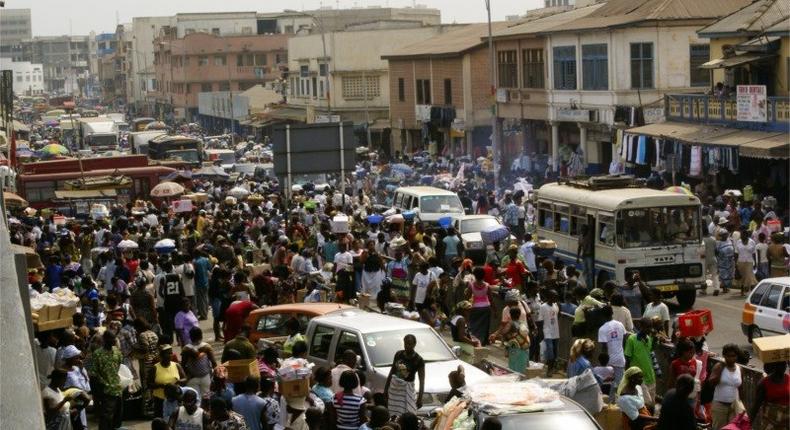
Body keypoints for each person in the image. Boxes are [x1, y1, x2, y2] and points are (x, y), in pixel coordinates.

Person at [384, 334, 425, 416]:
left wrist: (420, 398)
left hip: (407, 389)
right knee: (393, 413)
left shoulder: (419, 360)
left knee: (409, 413)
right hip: (395, 388)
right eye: (406, 343)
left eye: (410, 344)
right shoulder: (399, 354)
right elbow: (392, 371)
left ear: (414, 344)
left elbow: (422, 380)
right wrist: (386, 388)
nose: (407, 346)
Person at [90, 330, 124, 430]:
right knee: (106, 418)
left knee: (117, 418)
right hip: (106, 390)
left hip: (117, 389)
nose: (113, 340)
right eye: (110, 338)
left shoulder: (117, 352)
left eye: (114, 338)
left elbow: (118, 367)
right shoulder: (97, 354)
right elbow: (94, 374)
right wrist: (99, 391)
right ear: (104, 340)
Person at [709, 343, 744, 429]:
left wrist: (742, 403)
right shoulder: (719, 366)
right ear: (724, 356)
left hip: (734, 406)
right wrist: (721, 368)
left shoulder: (740, 369)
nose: (731, 358)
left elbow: (740, 387)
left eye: (733, 356)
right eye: (728, 356)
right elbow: (711, 383)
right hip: (720, 405)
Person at [749, 361, 789, 430]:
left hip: (786, 423)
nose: (783, 367)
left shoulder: (788, 379)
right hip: (770, 423)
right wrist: (748, 423)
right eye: (780, 364)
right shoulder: (764, 383)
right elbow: (756, 406)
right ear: (773, 365)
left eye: (784, 364)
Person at [598, 305, 626, 402]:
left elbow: (604, 347)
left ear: (602, 315)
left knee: (607, 385)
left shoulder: (602, 329)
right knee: (619, 385)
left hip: (609, 360)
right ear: (612, 313)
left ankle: (609, 404)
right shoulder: (620, 325)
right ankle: (617, 405)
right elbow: (624, 339)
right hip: (620, 359)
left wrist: (603, 363)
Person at [624, 320, 657, 403]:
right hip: (639, 378)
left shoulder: (649, 339)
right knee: (647, 403)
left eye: (650, 327)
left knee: (652, 403)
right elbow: (627, 358)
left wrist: (655, 339)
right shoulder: (632, 339)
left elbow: (649, 353)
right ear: (640, 327)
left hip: (650, 376)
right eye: (647, 327)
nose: (649, 329)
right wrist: (627, 376)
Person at [490, 307, 530, 373]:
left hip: (515, 348)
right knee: (521, 366)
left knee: (514, 367)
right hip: (524, 347)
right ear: (519, 314)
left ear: (510, 315)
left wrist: (499, 335)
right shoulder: (523, 323)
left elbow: (504, 332)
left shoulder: (511, 323)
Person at [182, 327, 216, 400]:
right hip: (205, 376)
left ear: (190, 337)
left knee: (194, 399)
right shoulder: (206, 347)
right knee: (207, 398)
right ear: (201, 336)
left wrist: (187, 375)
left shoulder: (186, 348)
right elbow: (214, 362)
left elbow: (183, 365)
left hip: (192, 378)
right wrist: (213, 375)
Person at [153, 345, 187, 418]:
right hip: (160, 400)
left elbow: (185, 378)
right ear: (161, 355)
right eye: (168, 353)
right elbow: (149, 384)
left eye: (171, 353)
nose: (170, 355)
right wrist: (161, 386)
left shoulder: (176, 365)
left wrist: (178, 382)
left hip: (175, 399)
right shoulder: (155, 368)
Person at [466, 266, 493, 346]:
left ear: (474, 275)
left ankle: (474, 340)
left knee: (474, 325)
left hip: (475, 307)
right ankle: (483, 342)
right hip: (486, 308)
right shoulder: (487, 286)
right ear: (483, 275)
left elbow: (467, 297)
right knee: (485, 326)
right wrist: (494, 310)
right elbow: (491, 299)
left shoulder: (471, 285)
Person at [538, 289, 560, 376]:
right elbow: (540, 320)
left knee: (555, 352)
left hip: (556, 332)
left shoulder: (555, 306)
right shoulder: (543, 307)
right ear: (549, 297)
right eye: (554, 296)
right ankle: (549, 370)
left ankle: (552, 367)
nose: (556, 298)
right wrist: (541, 332)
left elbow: (557, 315)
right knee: (550, 351)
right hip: (547, 332)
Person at [735, 231, 757, 296]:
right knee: (742, 277)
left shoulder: (752, 242)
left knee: (749, 276)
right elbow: (736, 253)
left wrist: (755, 262)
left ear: (746, 235)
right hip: (740, 261)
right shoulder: (738, 242)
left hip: (749, 261)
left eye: (742, 235)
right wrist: (736, 263)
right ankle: (742, 290)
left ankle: (749, 290)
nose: (741, 236)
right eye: (741, 235)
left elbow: (754, 253)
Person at [576, 224, 595, 288]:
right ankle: (587, 285)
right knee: (584, 272)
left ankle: (591, 286)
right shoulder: (581, 237)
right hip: (584, 256)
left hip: (590, 256)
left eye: (584, 230)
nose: (582, 231)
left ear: (587, 230)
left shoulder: (590, 237)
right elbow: (579, 247)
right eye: (582, 230)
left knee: (590, 272)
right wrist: (578, 257)